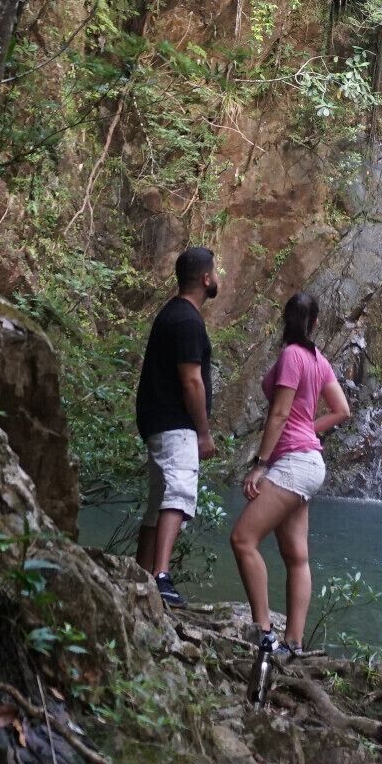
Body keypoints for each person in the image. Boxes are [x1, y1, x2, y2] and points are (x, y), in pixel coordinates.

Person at [230, 291, 352, 660]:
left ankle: (265, 632)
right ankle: (294, 643)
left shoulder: (291, 356)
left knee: (242, 540)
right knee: (296, 556)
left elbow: (280, 414)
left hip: (292, 463)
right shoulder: (319, 360)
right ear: (315, 323)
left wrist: (261, 463)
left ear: (285, 320)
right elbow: (342, 410)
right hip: (310, 463)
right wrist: (311, 430)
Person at [134, 245, 219, 606]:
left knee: (158, 502)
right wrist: (202, 431)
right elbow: (192, 381)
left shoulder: (172, 314)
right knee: (178, 493)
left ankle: (139, 574)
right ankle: (161, 575)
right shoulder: (187, 320)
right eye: (215, 272)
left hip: (159, 421)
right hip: (175, 424)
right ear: (204, 278)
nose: (218, 278)